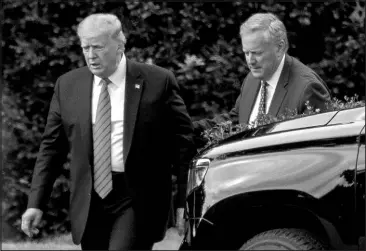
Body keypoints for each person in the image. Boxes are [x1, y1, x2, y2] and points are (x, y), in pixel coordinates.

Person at [21, 13, 196, 250]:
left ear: (119, 45)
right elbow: (51, 148)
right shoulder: (68, 85)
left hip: (137, 198)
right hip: (90, 200)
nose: (91, 56)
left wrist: (185, 201)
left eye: (98, 48)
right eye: (85, 48)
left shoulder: (157, 81)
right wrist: (36, 203)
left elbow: (183, 145)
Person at [194, 13, 331, 134]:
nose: (250, 61)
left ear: (280, 47)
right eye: (246, 53)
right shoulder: (252, 78)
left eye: (257, 53)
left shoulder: (307, 88)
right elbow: (237, 122)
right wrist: (187, 130)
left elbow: (316, 151)